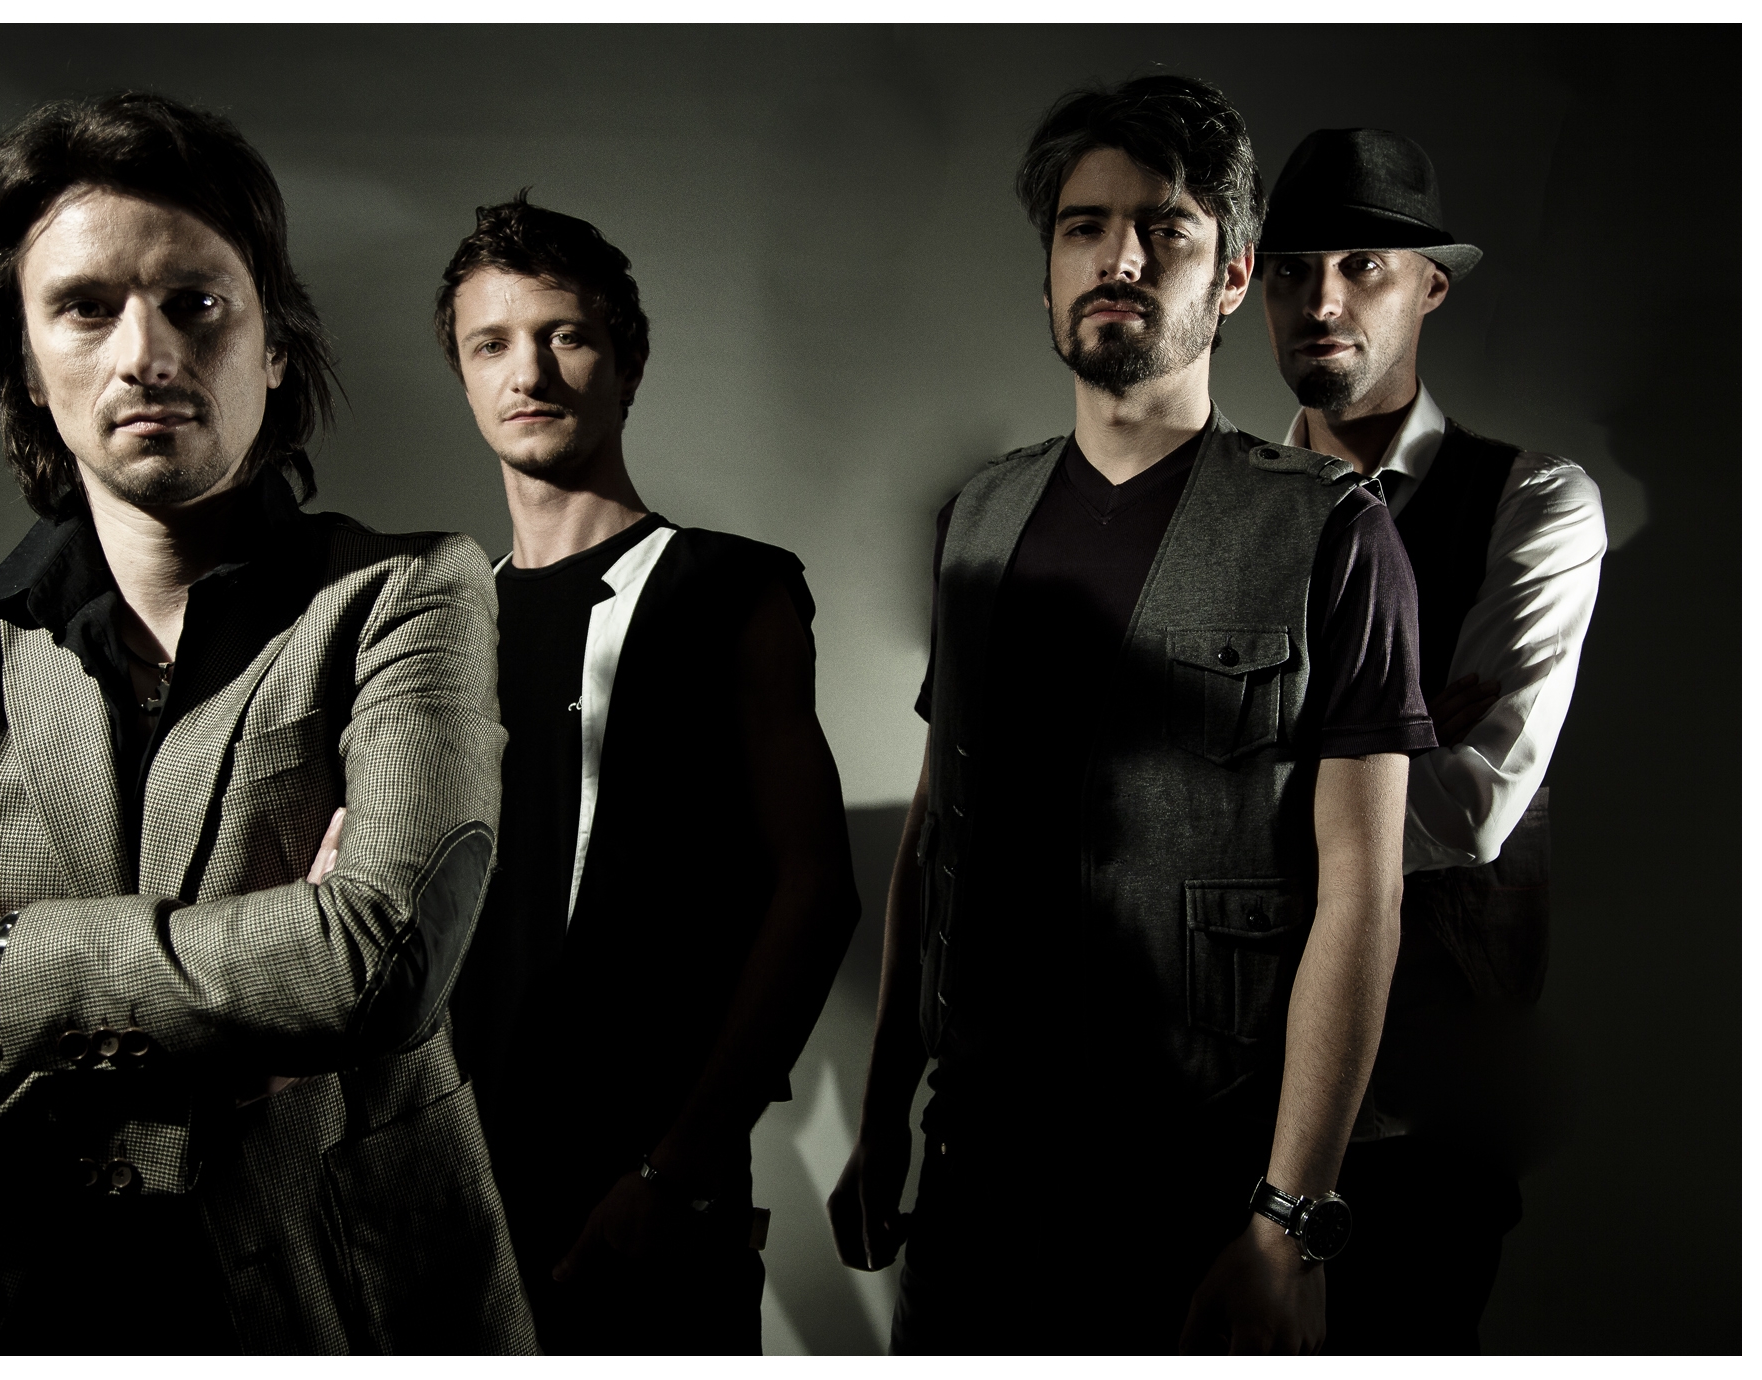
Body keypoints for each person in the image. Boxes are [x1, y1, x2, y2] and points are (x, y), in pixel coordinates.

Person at [0, 92, 533, 1355]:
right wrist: (227, 1052)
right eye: (84, 307)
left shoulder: (407, 597)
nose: (145, 352)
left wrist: (5, 967)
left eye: (195, 302)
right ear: (26, 361)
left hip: (334, 1313)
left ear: (273, 344)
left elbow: (375, 965)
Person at [827, 75, 1439, 1354]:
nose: (1118, 259)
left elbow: (1361, 895)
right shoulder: (980, 518)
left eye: (1164, 229)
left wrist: (1286, 1221)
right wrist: (880, 1116)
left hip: (1196, 1176)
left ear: (1232, 277)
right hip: (977, 1162)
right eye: (1083, 227)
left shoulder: (1330, 533)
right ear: (1048, 273)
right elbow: (938, 834)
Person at [435, 193, 862, 1354]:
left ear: (627, 362)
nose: (529, 371)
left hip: (647, 1199)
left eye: (565, 336)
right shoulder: (438, 621)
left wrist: (679, 1167)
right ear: (464, 377)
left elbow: (816, 892)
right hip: (456, 1200)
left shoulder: (728, 588)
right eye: (491, 344)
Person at [1258, 127, 1607, 1353]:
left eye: (1361, 265)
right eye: (1293, 268)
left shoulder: (1533, 502)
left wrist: (1229, 767)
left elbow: (1466, 810)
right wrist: (1385, 739)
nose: (1322, 300)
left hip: (1423, 1124)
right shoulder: (1213, 511)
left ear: (1431, 288)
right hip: (1227, 1098)